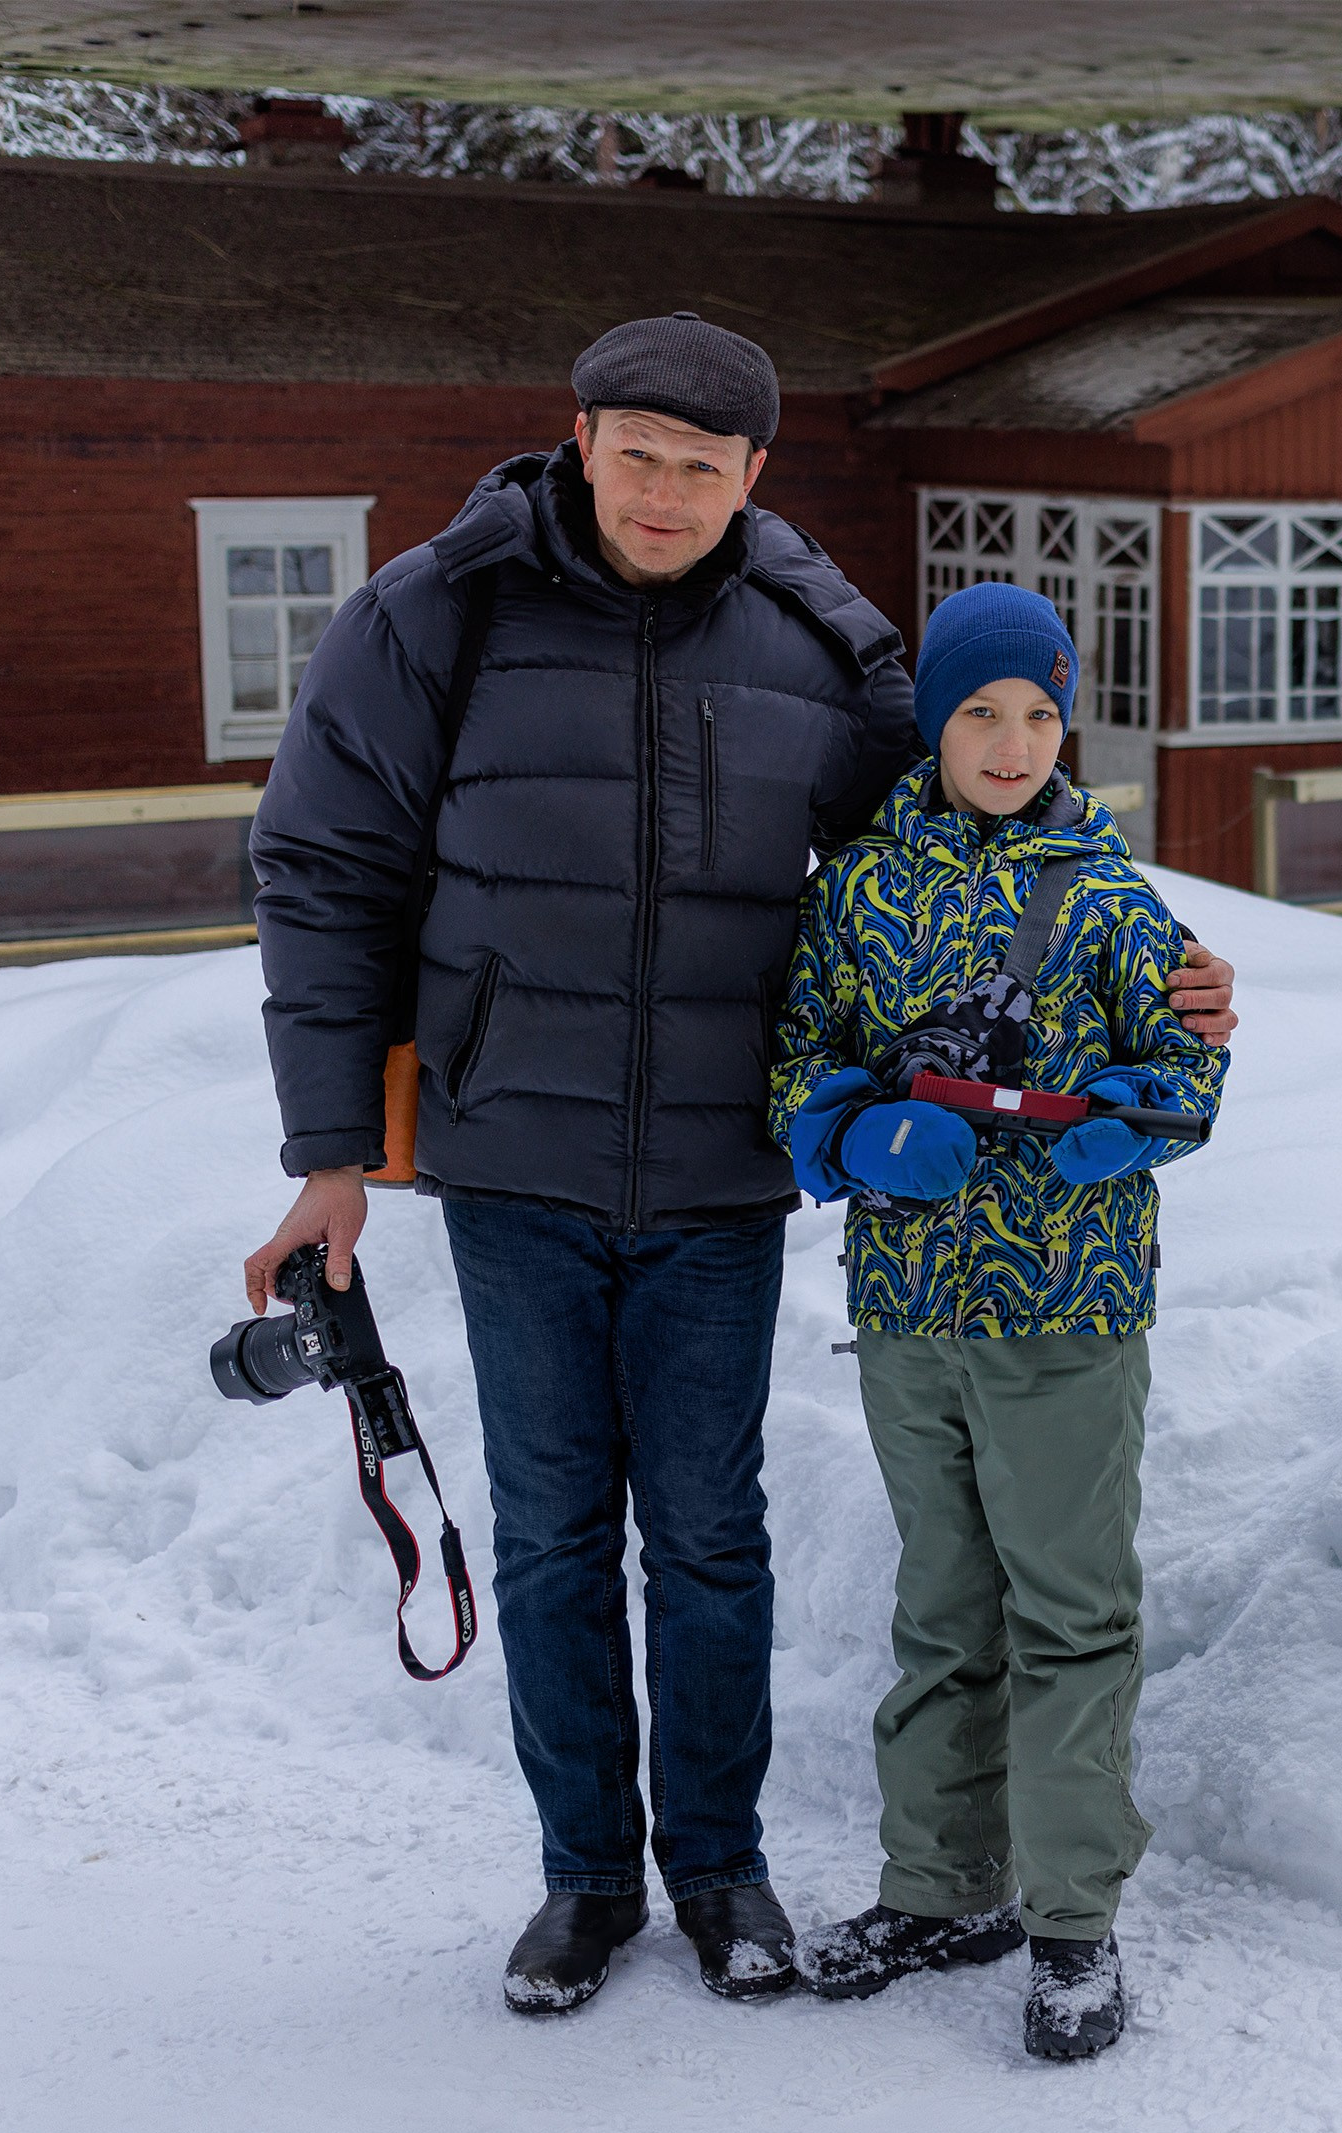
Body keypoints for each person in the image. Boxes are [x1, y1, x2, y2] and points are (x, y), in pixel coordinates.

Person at [241, 313, 1240, 2017]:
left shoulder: (816, 640)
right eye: (637, 454)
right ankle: (585, 1880)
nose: (664, 491)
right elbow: (324, 867)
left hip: (722, 1167)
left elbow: (969, 823)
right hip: (514, 1158)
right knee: (554, 1533)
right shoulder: (435, 613)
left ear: (753, 473)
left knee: (709, 1535)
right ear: (580, 439)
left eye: (702, 466)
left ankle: (719, 1870)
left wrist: (1161, 974)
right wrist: (332, 1150)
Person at [767, 582, 1227, 2059]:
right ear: (934, 723)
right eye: (981, 712)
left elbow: (1190, 1068)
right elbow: (796, 1059)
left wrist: (1136, 1119)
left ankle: (1073, 1922)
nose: (1014, 742)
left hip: (1068, 1306)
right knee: (944, 1613)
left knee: (1071, 1615)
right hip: (909, 1310)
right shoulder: (857, 891)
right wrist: (850, 1134)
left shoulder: (1110, 897)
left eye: (1039, 714)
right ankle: (938, 1892)